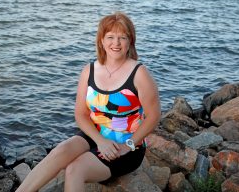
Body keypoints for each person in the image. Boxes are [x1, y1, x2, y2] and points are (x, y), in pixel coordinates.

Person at [15, 11, 161, 192]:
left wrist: (128, 145)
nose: (116, 43)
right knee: (60, 151)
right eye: (110, 37)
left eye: (122, 37)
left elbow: (153, 116)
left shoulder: (139, 74)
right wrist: (100, 141)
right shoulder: (89, 71)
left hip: (126, 146)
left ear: (130, 41)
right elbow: (81, 114)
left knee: (74, 170)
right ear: (101, 40)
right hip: (95, 135)